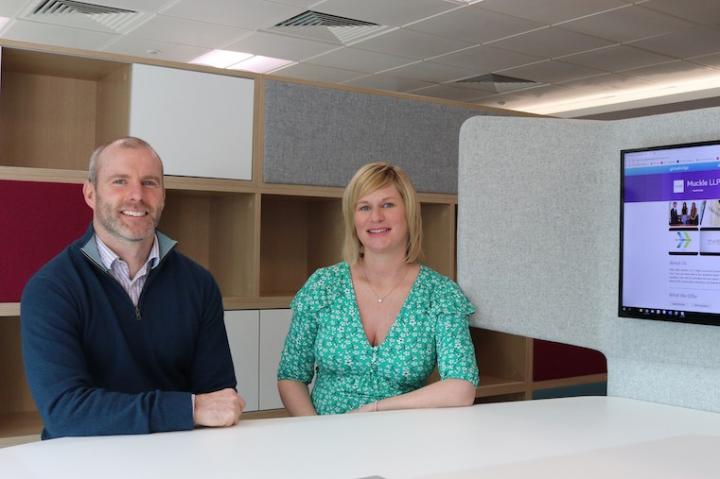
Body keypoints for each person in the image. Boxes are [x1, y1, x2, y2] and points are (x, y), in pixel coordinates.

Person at [21, 137, 244, 439]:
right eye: (120, 181)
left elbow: (218, 398)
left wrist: (198, 411)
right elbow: (65, 412)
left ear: (163, 195)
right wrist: (187, 410)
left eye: (149, 182)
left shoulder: (199, 284)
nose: (137, 195)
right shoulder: (50, 289)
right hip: (82, 461)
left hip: (177, 456)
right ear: (90, 194)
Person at [277, 162, 478, 415]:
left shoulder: (441, 294)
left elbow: (461, 387)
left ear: (409, 212)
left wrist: (376, 408)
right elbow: (291, 375)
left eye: (387, 204)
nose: (376, 217)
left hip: (403, 438)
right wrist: (315, 431)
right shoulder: (324, 285)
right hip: (326, 439)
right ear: (353, 219)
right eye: (364, 207)